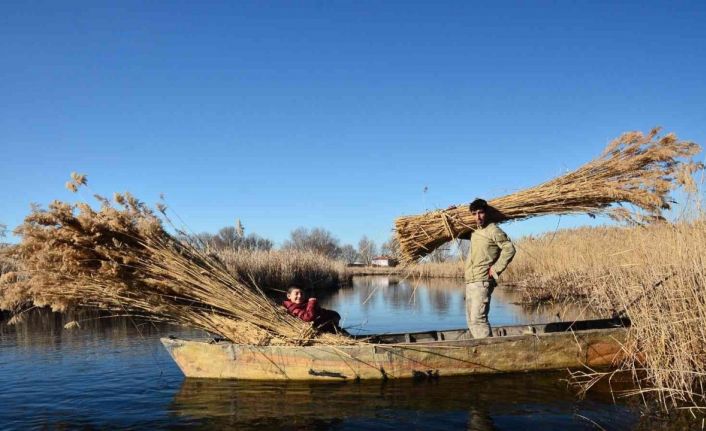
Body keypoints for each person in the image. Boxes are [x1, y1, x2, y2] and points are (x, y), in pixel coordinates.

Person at [464, 198, 516, 339]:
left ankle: (489, 348)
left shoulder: (493, 230)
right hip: (470, 281)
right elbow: (454, 231)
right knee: (471, 321)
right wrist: (452, 213)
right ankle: (480, 347)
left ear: (486, 213)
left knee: (478, 320)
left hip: (482, 282)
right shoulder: (474, 231)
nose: (478, 217)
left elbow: (509, 249)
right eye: (474, 214)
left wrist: (496, 269)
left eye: (480, 213)